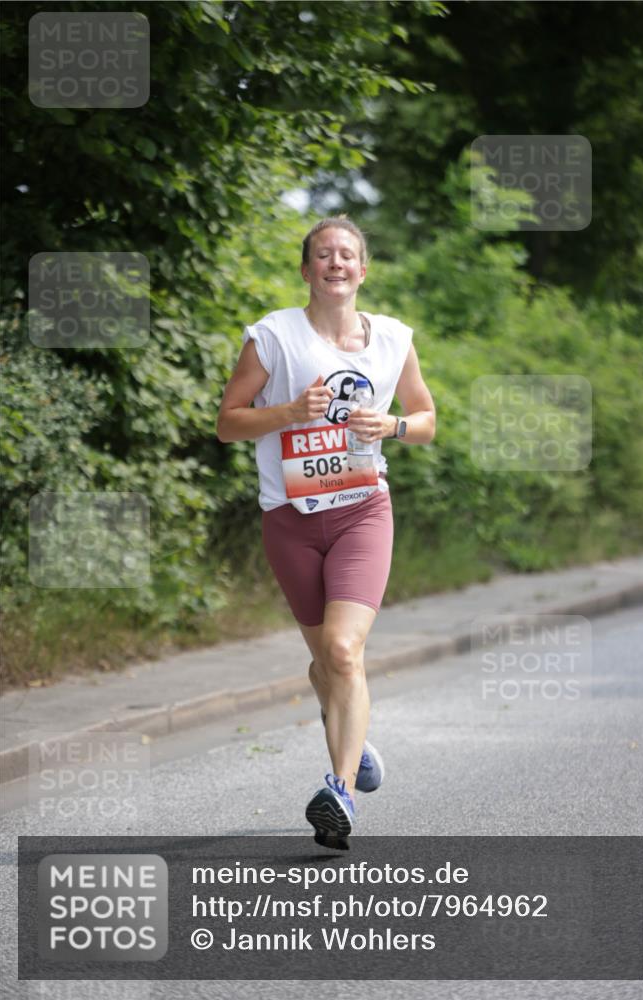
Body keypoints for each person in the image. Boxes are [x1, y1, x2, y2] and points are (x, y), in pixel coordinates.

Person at [216, 216, 436, 848]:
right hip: (289, 518)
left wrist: (390, 427)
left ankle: (339, 792)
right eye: (323, 255)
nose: (336, 263)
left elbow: (425, 419)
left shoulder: (393, 339)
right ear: (307, 270)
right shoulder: (273, 337)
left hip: (362, 510)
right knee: (325, 662)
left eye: (347, 255)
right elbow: (229, 423)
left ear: (363, 270)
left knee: (343, 651)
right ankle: (355, 740)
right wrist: (288, 413)